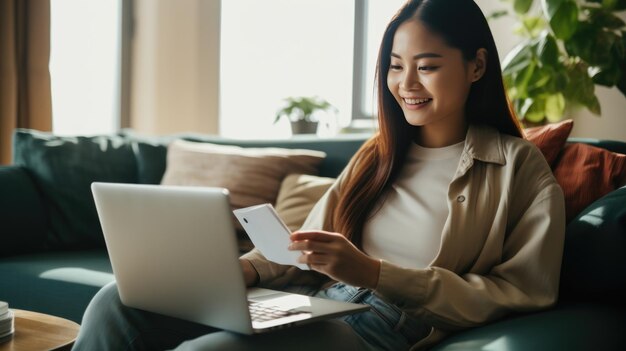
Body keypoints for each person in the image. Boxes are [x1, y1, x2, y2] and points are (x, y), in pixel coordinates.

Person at [73, 0, 565, 350]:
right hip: (316, 300)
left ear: (477, 65)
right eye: (395, 67)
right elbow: (302, 249)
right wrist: (237, 272)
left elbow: (521, 292)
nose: (406, 84)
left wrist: (372, 274)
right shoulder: (376, 156)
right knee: (117, 302)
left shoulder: (517, 167)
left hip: (387, 324)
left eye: (427, 66)